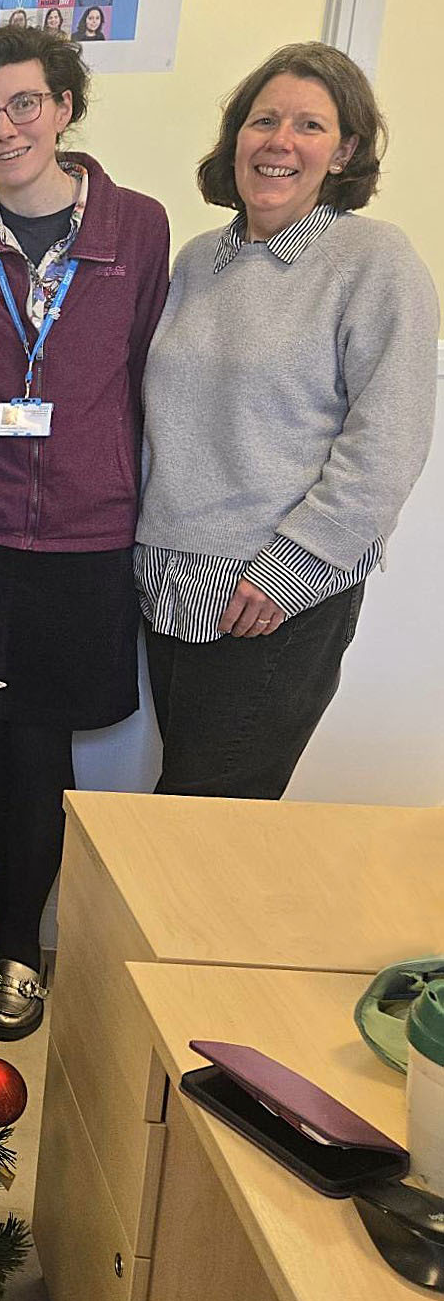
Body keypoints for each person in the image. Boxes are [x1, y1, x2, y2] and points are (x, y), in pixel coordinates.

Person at [0, 26, 169, 1039]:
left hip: (84, 534)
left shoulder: (137, 227)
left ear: (64, 107)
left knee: (43, 741)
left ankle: (21, 942)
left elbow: (146, 376)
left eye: (24, 103)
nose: (4, 127)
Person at [137, 43, 437, 800]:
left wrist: (289, 572)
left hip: (274, 594)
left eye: (310, 125)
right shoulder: (199, 260)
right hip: (172, 585)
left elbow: (388, 439)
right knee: (185, 817)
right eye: (263, 120)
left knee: (201, 824)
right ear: (236, 136)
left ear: (345, 151)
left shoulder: (373, 260)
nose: (280, 141)